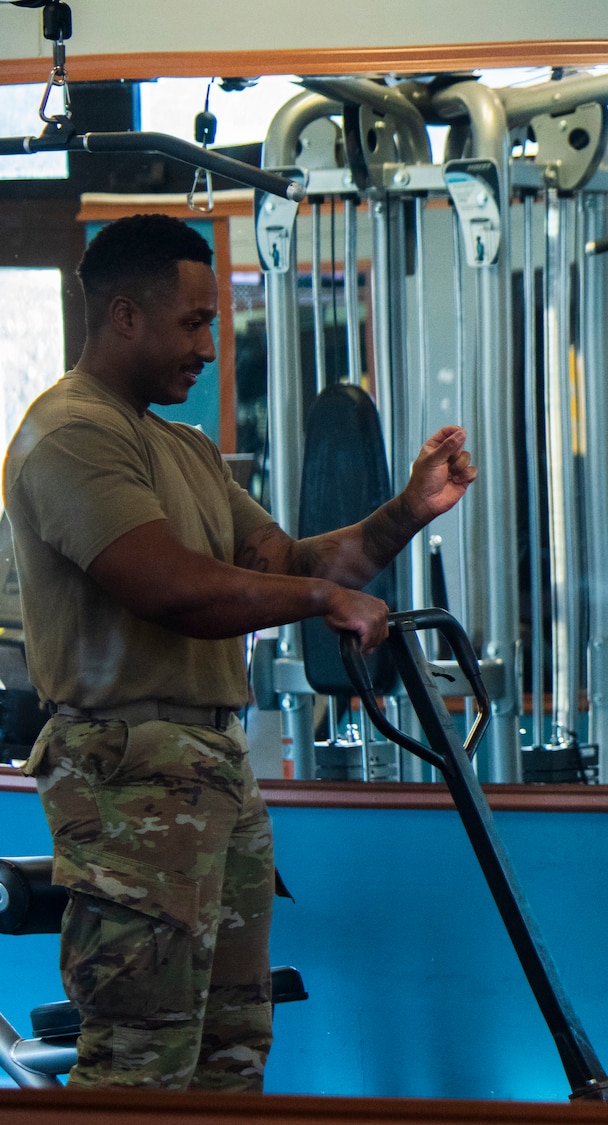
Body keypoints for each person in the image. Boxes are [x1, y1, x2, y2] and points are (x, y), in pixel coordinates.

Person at [2, 213, 477, 1091]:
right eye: (192, 323)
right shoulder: (69, 434)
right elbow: (174, 588)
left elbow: (289, 564)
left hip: (213, 770)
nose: (211, 348)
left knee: (230, 1055)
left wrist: (407, 510)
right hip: (130, 778)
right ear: (123, 315)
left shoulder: (183, 449)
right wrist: (323, 599)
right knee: (141, 1060)